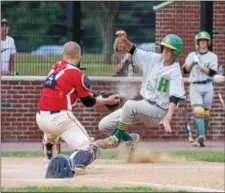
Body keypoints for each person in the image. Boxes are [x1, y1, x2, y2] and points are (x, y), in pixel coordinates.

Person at [36, 41, 120, 178]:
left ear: (63, 55)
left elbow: (71, 93)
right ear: (79, 55)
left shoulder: (55, 68)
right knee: (89, 147)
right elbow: (88, 102)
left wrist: (102, 99)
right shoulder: (77, 74)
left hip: (41, 118)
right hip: (59, 118)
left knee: (52, 134)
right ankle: (70, 164)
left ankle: (49, 158)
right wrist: (106, 101)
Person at [96, 31, 186, 152]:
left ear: (176, 52)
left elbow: (174, 98)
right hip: (144, 105)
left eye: (169, 49)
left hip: (158, 111)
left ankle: (116, 139)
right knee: (104, 125)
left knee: (130, 105)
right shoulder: (154, 59)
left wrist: (168, 118)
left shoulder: (175, 71)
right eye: (164, 47)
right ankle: (129, 140)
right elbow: (134, 51)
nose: (165, 50)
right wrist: (124, 40)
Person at [182, 31, 218, 147]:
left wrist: (202, 67)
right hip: (195, 86)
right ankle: (202, 135)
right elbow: (185, 70)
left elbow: (212, 72)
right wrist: (193, 62)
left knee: (206, 113)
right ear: (198, 42)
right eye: (201, 41)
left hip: (208, 85)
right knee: (198, 111)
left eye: (205, 40)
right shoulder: (192, 55)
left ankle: (199, 138)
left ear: (208, 42)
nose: (203, 43)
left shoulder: (212, 56)